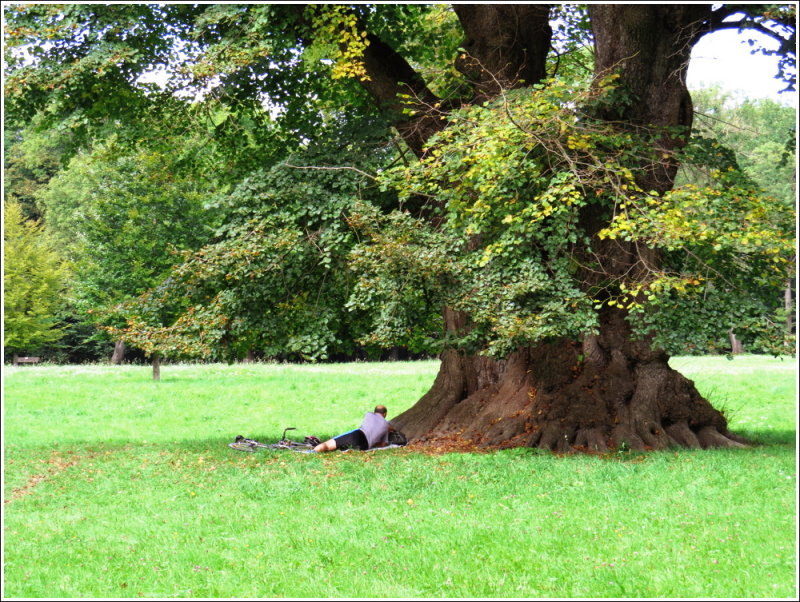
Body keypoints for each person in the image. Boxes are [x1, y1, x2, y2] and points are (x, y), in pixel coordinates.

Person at [313, 405, 394, 453]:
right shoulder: (386, 425)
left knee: (328, 445)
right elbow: (383, 445)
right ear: (385, 414)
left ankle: (311, 452)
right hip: (364, 446)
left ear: (374, 411)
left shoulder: (368, 414)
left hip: (357, 435)